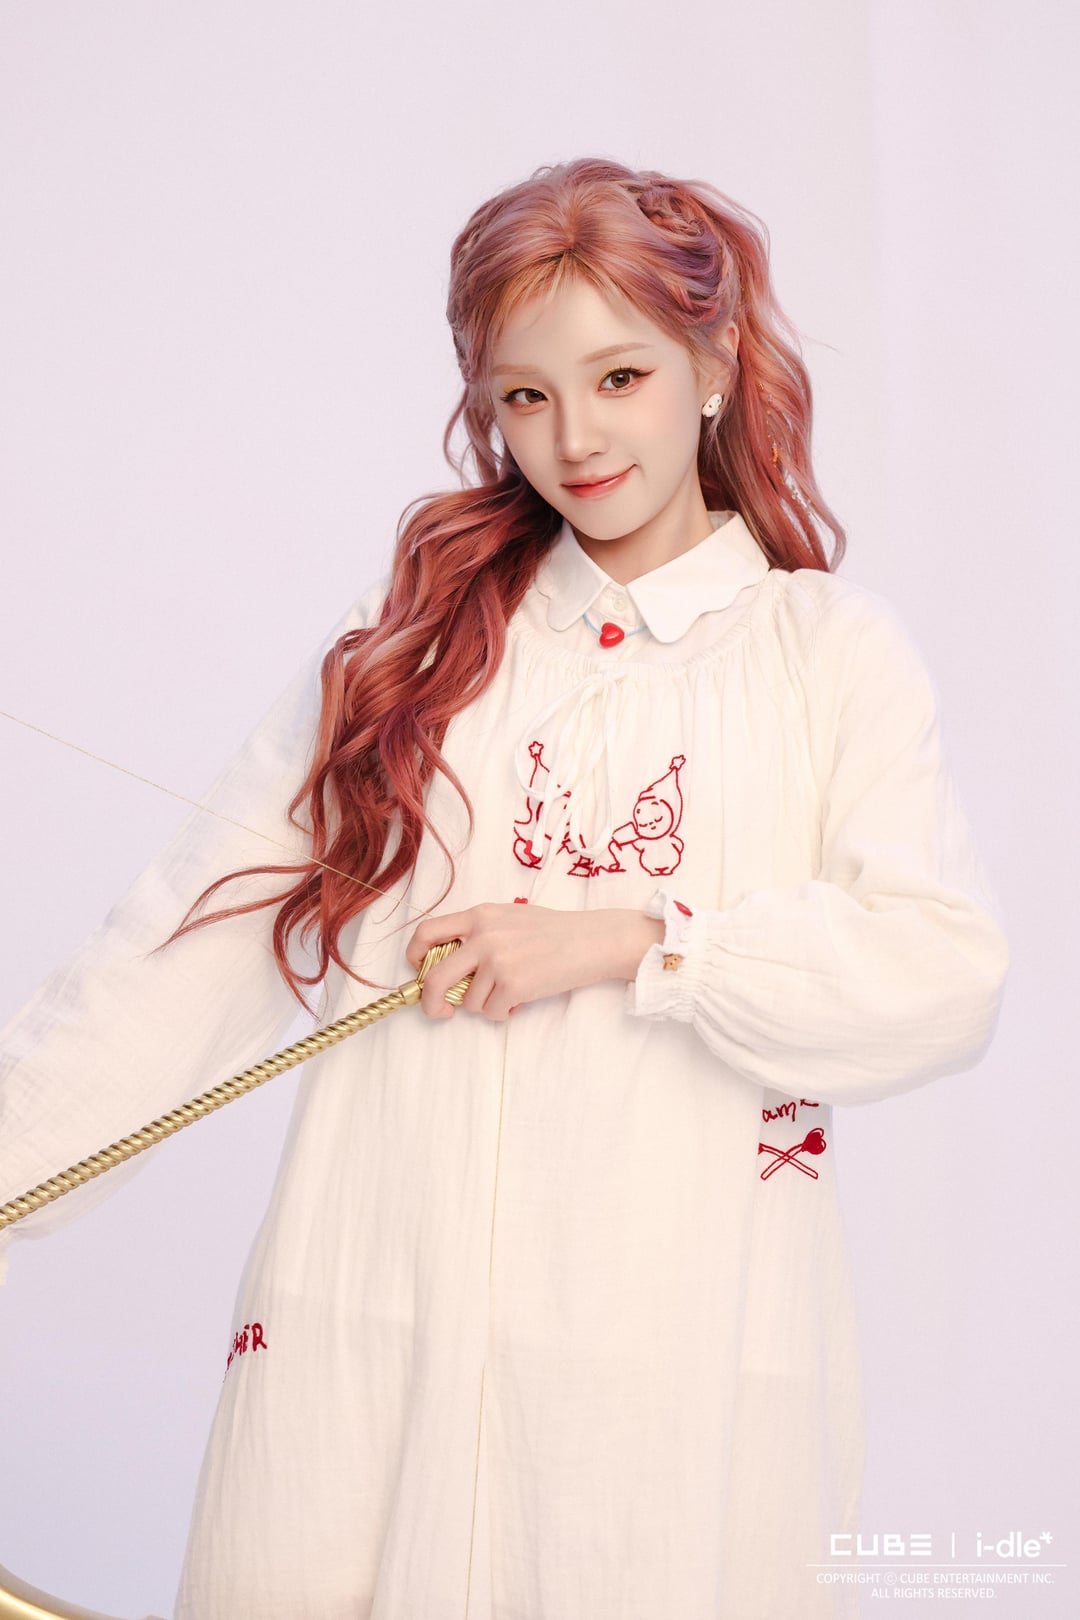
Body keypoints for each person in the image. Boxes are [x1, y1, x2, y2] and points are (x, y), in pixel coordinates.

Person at [0, 157, 1010, 1619]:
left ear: (717, 361)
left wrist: (632, 942)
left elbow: (941, 972)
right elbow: (189, 940)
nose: (575, 438)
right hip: (369, 1344)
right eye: (525, 395)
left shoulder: (825, 656)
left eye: (620, 377)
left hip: (667, 1385)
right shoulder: (413, 644)